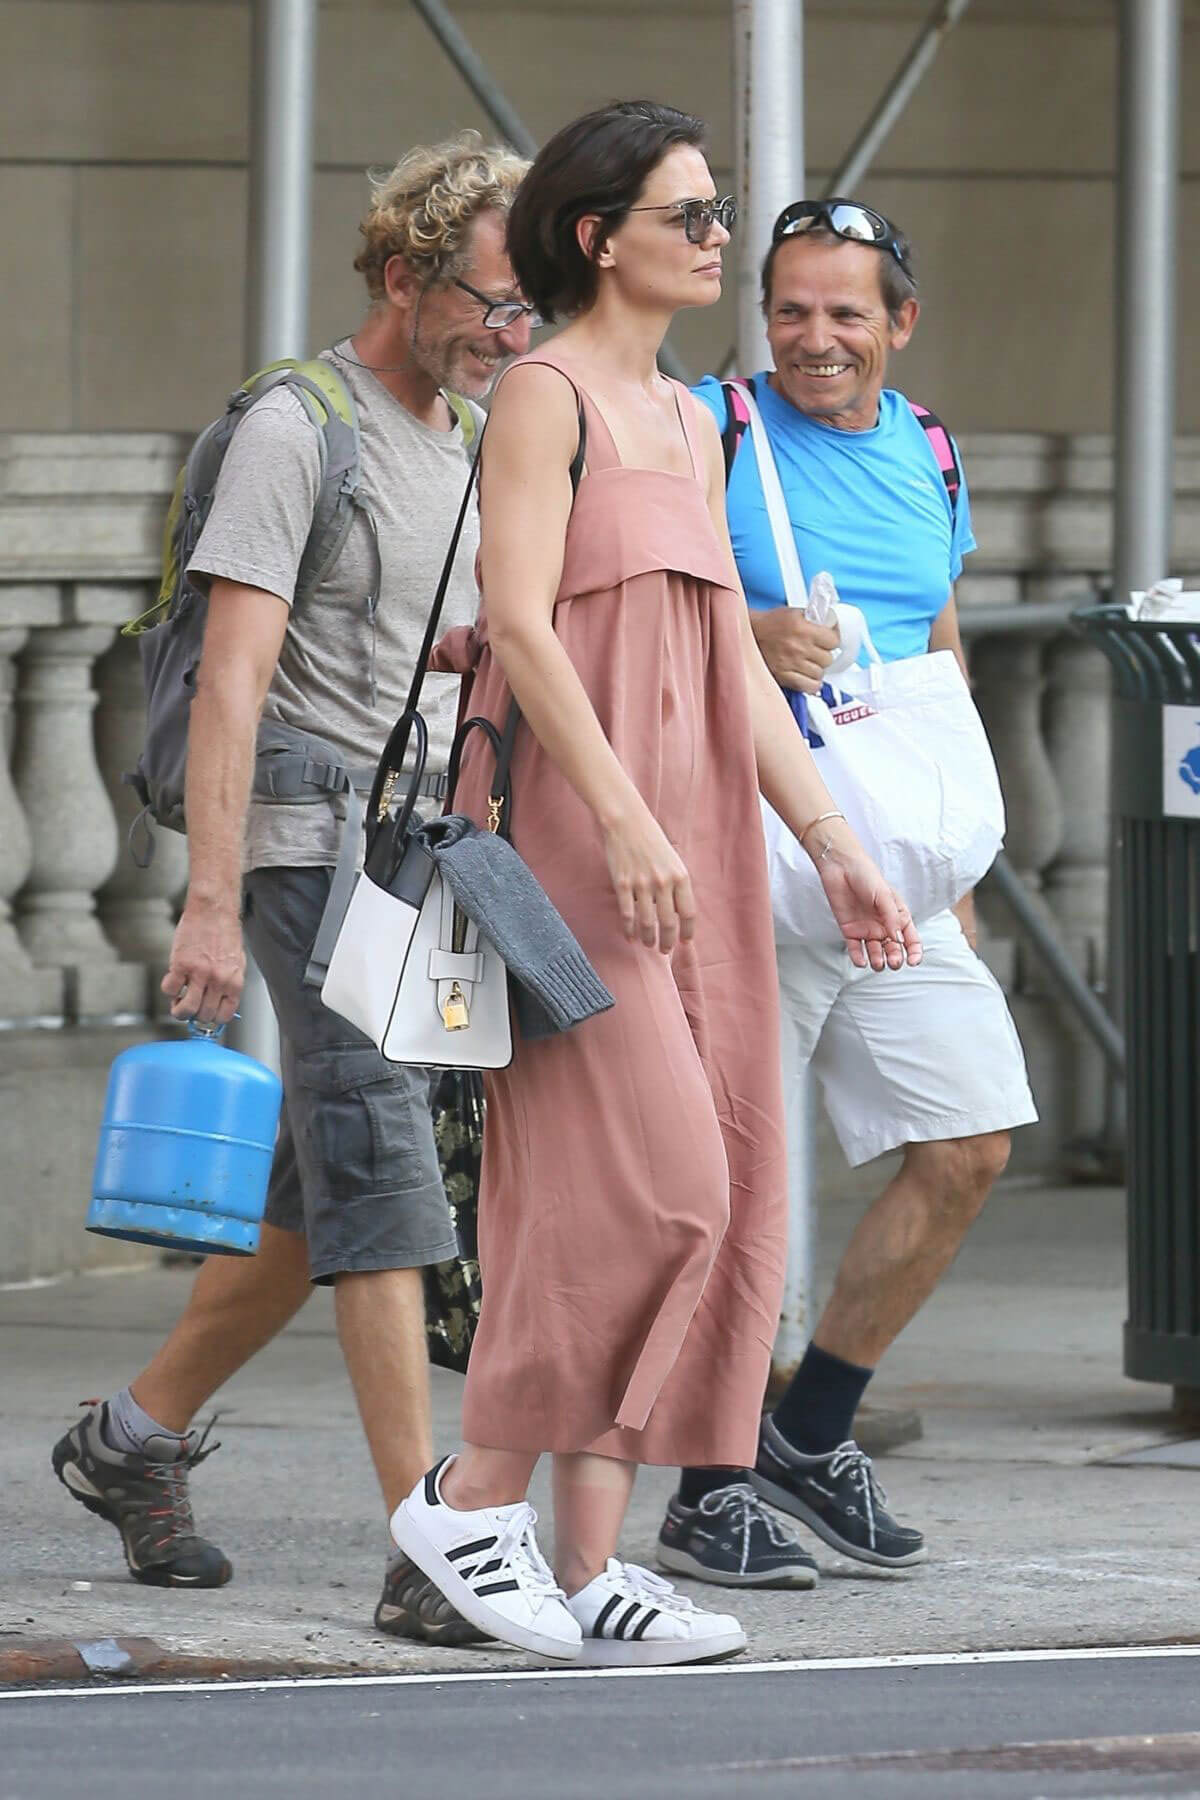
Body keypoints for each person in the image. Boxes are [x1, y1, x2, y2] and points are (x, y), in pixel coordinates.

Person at [390, 104, 922, 1669]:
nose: (715, 239)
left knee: (714, 1198)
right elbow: (528, 627)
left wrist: (830, 838)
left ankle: (591, 1554)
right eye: (686, 214)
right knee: (652, 1190)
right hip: (587, 837)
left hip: (697, 845)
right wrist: (622, 819)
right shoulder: (544, 397)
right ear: (594, 235)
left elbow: (718, 660)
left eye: (715, 212)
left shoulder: (694, 420)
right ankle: (473, 1497)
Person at [51, 135, 535, 1645]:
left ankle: (127, 1444)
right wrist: (204, 900)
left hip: (407, 847)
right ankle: (429, 1543)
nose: (514, 336)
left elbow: (421, 646)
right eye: (494, 302)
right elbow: (236, 683)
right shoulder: (293, 427)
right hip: (294, 837)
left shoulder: (462, 432)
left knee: (319, 1182)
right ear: (403, 273)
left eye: (532, 312)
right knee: (381, 1152)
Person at [655, 197, 1037, 1590]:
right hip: (748, 855)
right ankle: (707, 1486)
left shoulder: (931, 449)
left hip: (898, 863)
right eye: (793, 309)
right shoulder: (713, 425)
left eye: (846, 312)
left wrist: (959, 874)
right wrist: (746, 633)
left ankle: (806, 1434)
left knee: (971, 1140)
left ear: (900, 323)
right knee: (739, 1185)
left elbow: (937, 647)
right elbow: (626, 605)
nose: (816, 338)